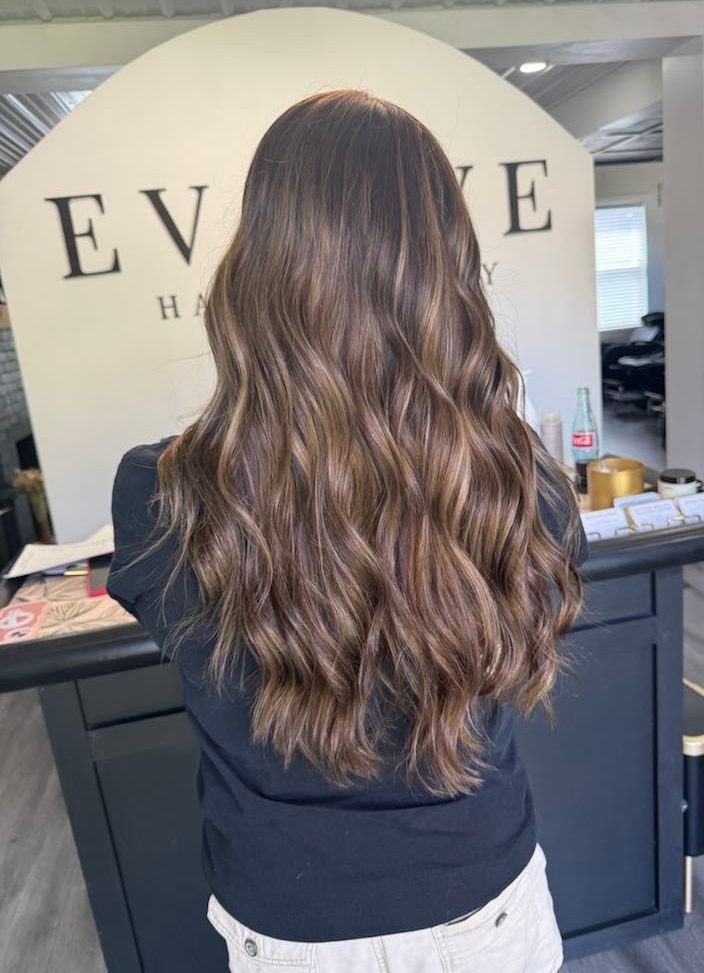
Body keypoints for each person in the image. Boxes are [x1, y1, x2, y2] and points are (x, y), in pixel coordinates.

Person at [107, 89, 587, 973]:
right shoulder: (516, 479)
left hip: (294, 927)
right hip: (490, 909)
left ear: (257, 269)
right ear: (448, 270)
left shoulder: (161, 494)